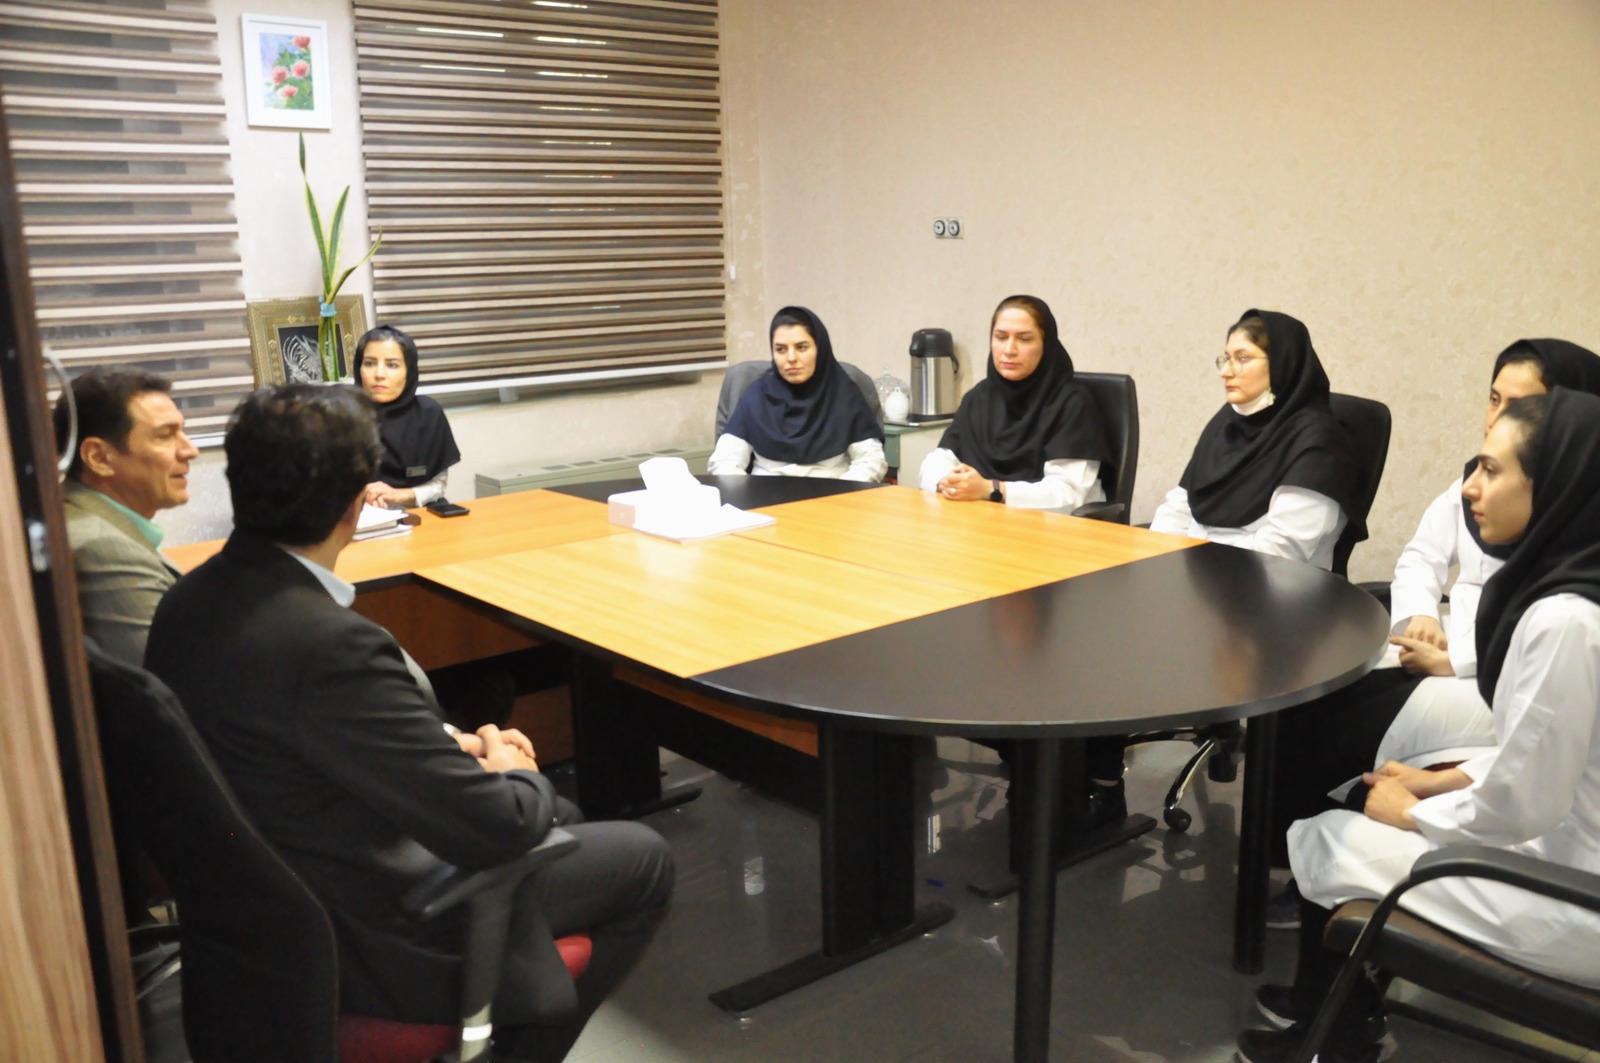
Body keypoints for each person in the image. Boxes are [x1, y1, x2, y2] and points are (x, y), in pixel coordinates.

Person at [144, 384, 672, 1062]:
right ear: (357, 503)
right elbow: (499, 825)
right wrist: (512, 772)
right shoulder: (330, 644)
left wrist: (454, 745)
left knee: (561, 816)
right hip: (366, 936)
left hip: (257, 919)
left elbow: (306, 737)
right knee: (640, 856)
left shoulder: (187, 600)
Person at [1236, 388, 1600, 1063]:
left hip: (1574, 895)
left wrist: (1415, 813)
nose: (1470, 486)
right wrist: (1443, 781)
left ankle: (1335, 1038)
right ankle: (1343, 1017)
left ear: (1551, 485)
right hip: (1571, 849)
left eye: (1491, 469)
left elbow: (1530, 799)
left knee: (1331, 835)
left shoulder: (1565, 620)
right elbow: (1558, 755)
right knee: (1364, 795)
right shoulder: (1578, 586)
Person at [1265, 339, 1600, 908]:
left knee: (1337, 791)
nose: (1499, 417)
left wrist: (1456, 660)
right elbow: (1421, 556)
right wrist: (1420, 615)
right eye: (1494, 398)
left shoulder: (1565, 613)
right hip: (1471, 669)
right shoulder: (1534, 524)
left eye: (1523, 405)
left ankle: (1302, 876)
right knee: (1315, 699)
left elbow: (1531, 777)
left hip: (1560, 863)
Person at [1148, 309, 1360, 567]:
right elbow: (1178, 507)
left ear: (1281, 363)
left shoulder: (1318, 443)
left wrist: (1193, 558)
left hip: (1273, 585)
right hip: (1197, 572)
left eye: (1243, 358)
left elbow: (1280, 552)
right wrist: (1157, 557)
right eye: (1226, 359)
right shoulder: (1227, 422)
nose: (1226, 371)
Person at [52, 367, 197, 665]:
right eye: (165, 435)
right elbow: (179, 674)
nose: (190, 450)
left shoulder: (88, 522)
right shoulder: (102, 548)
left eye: (183, 432)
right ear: (99, 458)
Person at [918, 294, 1111, 509]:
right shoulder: (978, 398)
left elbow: (1067, 495)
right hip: (980, 520)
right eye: (1001, 337)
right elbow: (937, 460)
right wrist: (947, 481)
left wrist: (992, 490)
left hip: (1048, 526)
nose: (1009, 350)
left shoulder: (1072, 403)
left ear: (1045, 345)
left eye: (1024, 339)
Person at [707, 306, 886, 481]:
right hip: (764, 496)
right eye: (781, 349)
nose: (791, 358)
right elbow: (724, 461)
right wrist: (745, 495)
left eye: (801, 347)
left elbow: (871, 461)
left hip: (834, 494)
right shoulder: (757, 396)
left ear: (819, 349)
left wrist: (843, 495)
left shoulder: (844, 396)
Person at [356, 325, 461, 509]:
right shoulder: (341, 417)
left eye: (392, 365)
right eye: (370, 363)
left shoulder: (428, 414)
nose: (379, 374)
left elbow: (437, 485)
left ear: (409, 370)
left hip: (417, 513)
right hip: (357, 517)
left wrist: (400, 495)